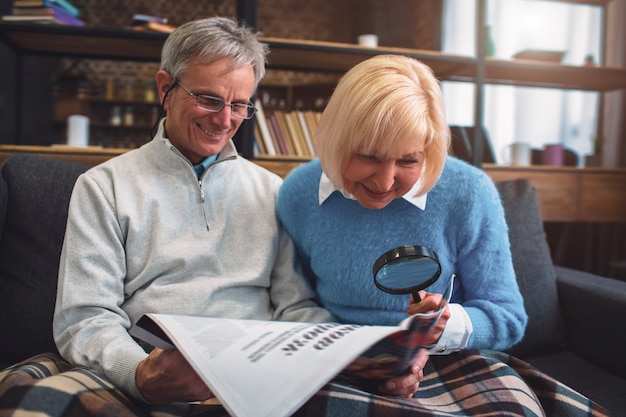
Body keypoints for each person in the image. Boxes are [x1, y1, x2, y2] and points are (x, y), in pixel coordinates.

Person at [0, 18, 428, 417]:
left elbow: (295, 307)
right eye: (209, 99)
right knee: (34, 400)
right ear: (165, 88)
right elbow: (84, 319)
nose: (224, 120)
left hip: (257, 369)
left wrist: (360, 354)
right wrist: (138, 374)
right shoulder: (104, 186)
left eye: (240, 106)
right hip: (149, 368)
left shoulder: (272, 191)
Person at [277, 54, 608, 416]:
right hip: (338, 360)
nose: (385, 182)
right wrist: (354, 356)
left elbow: (508, 317)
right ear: (335, 139)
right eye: (368, 156)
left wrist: (441, 329)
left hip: (451, 359)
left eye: (408, 160)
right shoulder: (298, 194)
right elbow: (296, 303)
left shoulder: (468, 192)